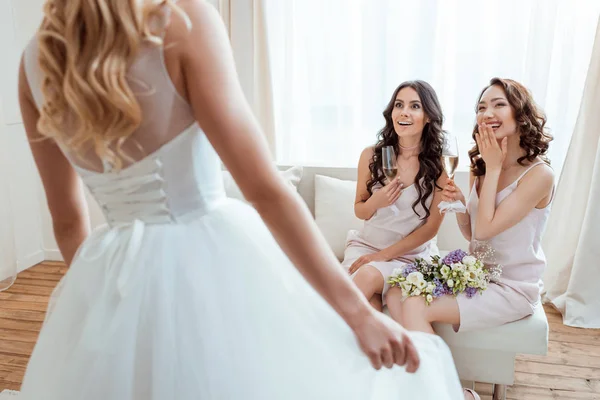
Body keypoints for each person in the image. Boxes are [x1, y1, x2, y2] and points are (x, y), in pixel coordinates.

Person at [16, 1, 465, 399]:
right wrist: (357, 316)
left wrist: (100, 306)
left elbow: (68, 221)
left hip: (109, 268)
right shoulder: (182, 21)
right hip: (207, 257)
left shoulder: (37, 59)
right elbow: (266, 191)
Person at [390, 78, 554, 399]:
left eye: (498, 104)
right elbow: (472, 233)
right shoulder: (485, 166)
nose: (487, 112)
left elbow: (485, 230)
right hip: (476, 273)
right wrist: (461, 203)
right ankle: (430, 388)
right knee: (402, 290)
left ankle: (450, 393)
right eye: (481, 107)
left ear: (520, 114)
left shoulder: (539, 175)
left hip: (511, 287)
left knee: (416, 307)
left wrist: (491, 171)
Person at [343, 81, 446, 313]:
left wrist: (381, 257)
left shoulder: (439, 164)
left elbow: (431, 229)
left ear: (428, 116)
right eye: (399, 105)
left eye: (415, 106)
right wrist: (376, 202)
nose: (404, 112)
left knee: (367, 276)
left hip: (410, 256)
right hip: (366, 246)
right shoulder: (372, 155)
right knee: (369, 308)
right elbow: (360, 210)